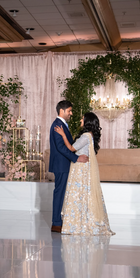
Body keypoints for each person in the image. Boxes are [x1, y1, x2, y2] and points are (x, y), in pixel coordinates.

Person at [54, 112, 115, 235]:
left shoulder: (86, 136)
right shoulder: (90, 135)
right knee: (84, 194)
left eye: (82, 119)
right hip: (83, 168)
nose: (80, 120)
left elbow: (71, 148)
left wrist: (63, 135)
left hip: (80, 169)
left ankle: (78, 223)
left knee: (78, 194)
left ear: (87, 121)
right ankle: (82, 220)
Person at [49, 100, 88, 233]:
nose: (71, 113)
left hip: (64, 164)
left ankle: (59, 220)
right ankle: (56, 223)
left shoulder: (62, 125)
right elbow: (60, 147)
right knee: (59, 193)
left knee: (62, 193)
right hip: (61, 165)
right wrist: (76, 158)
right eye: (69, 111)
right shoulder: (57, 125)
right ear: (62, 111)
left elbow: (68, 144)